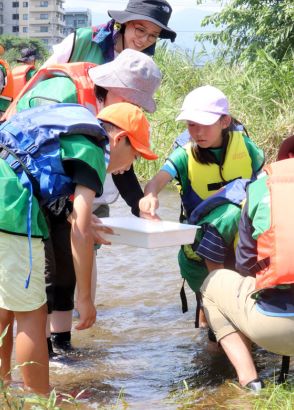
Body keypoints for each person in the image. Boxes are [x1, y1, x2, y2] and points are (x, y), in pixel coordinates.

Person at [3, 49, 162, 356]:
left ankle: (43, 361)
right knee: (32, 303)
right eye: (135, 155)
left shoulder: (92, 129)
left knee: (42, 282)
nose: (130, 166)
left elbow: (59, 180)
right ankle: (34, 391)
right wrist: (86, 299)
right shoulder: (93, 145)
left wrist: (83, 218)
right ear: (118, 140)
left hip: (24, 191)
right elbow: (80, 230)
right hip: (13, 197)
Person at [139, 85, 264, 326]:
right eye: (191, 125)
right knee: (213, 322)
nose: (197, 132)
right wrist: (150, 196)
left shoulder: (246, 148)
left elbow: (267, 180)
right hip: (203, 243)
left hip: (243, 241)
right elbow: (156, 182)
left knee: (245, 312)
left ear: (225, 121)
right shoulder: (184, 155)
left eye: (204, 124)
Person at [200, 134, 294, 391]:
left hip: (272, 327)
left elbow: (244, 264)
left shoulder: (260, 188)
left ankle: (251, 382)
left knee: (212, 283)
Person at [43, 0, 176, 67]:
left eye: (153, 36)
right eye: (140, 30)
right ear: (125, 23)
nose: (144, 40)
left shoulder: (141, 64)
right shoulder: (83, 40)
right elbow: (43, 76)